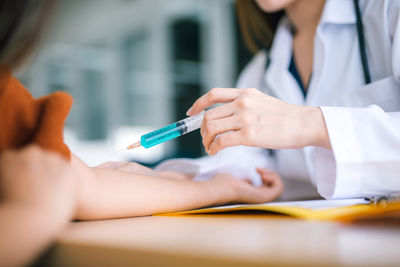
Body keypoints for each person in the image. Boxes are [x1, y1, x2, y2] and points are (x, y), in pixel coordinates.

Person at [0, 1, 283, 266]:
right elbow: (77, 187)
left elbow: (83, 186)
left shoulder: (9, 100)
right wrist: (33, 212)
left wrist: (222, 187)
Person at [156, 0, 400, 200]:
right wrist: (170, 180)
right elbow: (244, 163)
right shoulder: (262, 69)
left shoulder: (389, 11)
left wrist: (309, 124)